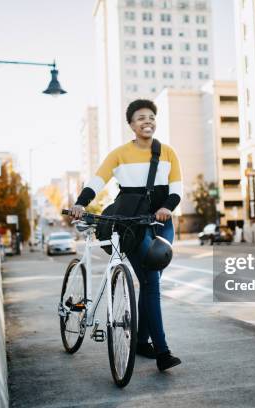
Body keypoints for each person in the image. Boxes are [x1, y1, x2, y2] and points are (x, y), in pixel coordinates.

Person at [71, 99, 182, 372]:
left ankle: (141, 342)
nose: (148, 121)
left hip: (162, 224)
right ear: (132, 125)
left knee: (149, 284)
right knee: (151, 284)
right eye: (141, 118)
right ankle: (162, 352)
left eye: (152, 117)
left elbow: (176, 189)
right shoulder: (119, 154)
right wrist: (81, 203)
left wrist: (167, 207)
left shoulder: (167, 152)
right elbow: (97, 181)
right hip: (133, 224)